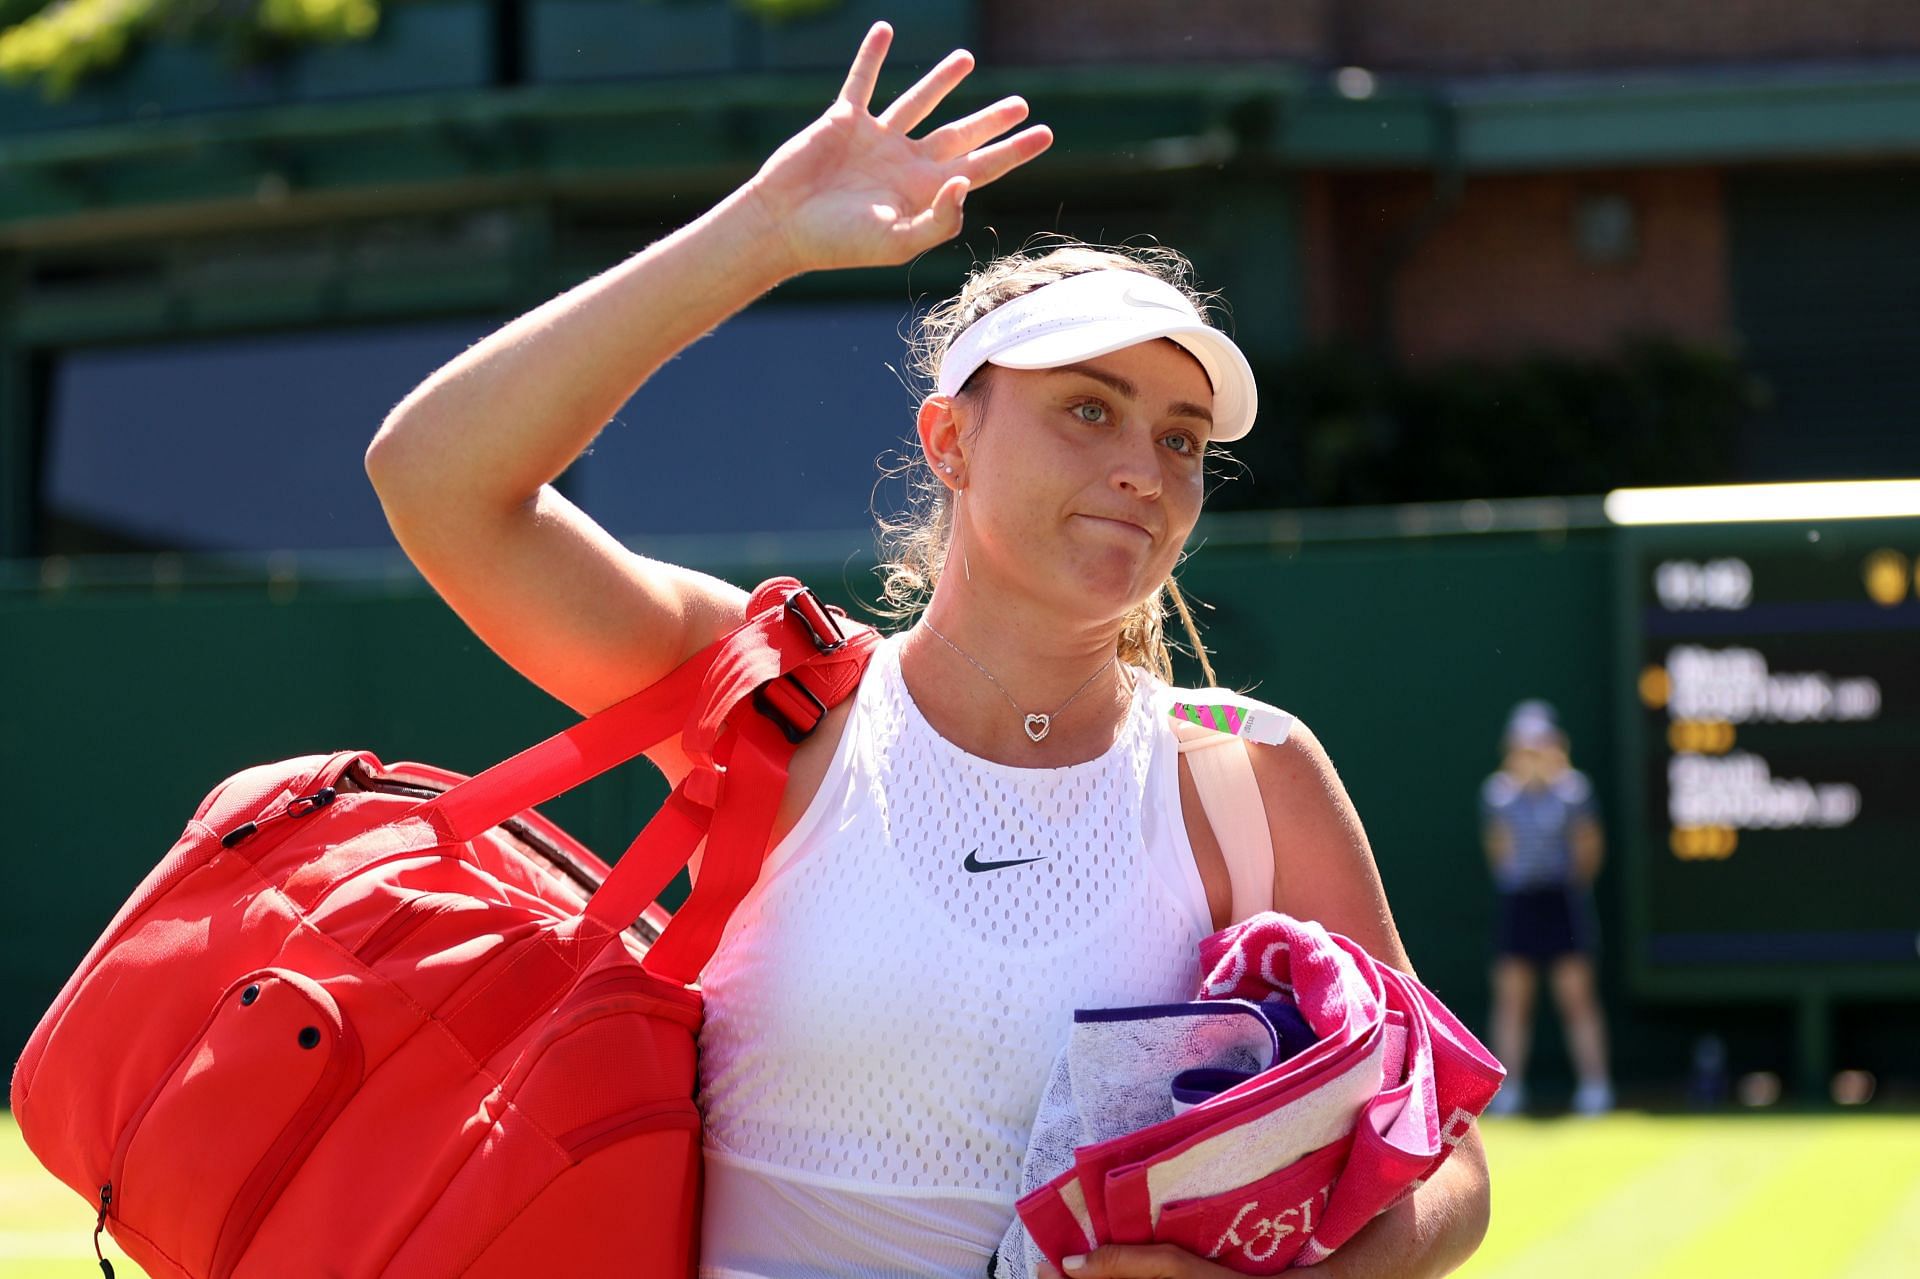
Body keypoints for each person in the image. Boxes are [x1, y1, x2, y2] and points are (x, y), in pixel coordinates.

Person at [365, 22, 1489, 1278]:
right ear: (948, 444)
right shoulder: (776, 699)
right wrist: (761, 233)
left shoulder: (1253, 770)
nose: (1143, 467)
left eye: (1180, 437)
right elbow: (436, 478)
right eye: (1086, 409)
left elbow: (1440, 1149)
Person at [1481, 699, 1614, 1116]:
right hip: (1519, 901)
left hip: (1562, 900)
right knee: (1512, 999)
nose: (1533, 755)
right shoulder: (1497, 794)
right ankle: (1510, 1089)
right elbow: (1500, 855)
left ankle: (1595, 1087)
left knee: (1577, 996)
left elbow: (1589, 852)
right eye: (1525, 746)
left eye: (1541, 745)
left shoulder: (1576, 791)